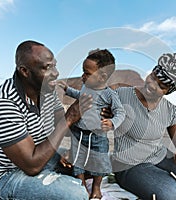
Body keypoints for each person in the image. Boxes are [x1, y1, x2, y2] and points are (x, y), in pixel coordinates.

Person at [0, 40, 91, 200]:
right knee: (75, 194)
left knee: (95, 160)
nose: (56, 73)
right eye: (47, 67)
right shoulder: (3, 104)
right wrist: (69, 118)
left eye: (54, 65)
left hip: (41, 155)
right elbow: (32, 166)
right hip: (5, 175)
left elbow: (61, 128)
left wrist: (90, 115)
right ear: (24, 71)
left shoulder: (47, 92)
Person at [101, 53, 176, 200]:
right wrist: (107, 113)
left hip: (161, 157)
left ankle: (171, 185)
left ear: (170, 90)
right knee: (170, 195)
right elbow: (99, 110)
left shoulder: (169, 110)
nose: (152, 85)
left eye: (162, 85)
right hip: (128, 164)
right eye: (153, 77)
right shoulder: (121, 95)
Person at [59, 49, 125, 199]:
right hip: (79, 133)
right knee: (77, 159)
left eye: (87, 73)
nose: (83, 76)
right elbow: (80, 95)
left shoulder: (110, 95)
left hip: (98, 135)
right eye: (83, 72)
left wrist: (112, 123)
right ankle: (81, 185)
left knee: (99, 160)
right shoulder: (85, 88)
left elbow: (121, 112)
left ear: (102, 77)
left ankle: (96, 188)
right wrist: (67, 90)